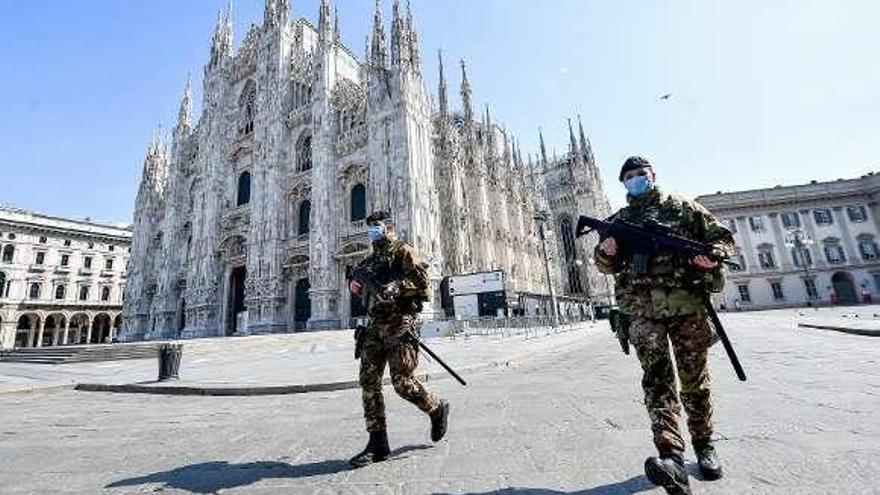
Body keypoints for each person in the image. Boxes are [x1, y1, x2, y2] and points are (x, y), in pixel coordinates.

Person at [594, 156, 735, 494]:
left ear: (653, 175)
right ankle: (670, 455)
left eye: (640, 175)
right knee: (656, 383)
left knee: (694, 382)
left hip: (686, 309)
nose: (635, 180)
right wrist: (607, 252)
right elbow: (603, 265)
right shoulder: (620, 220)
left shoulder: (684, 208)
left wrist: (711, 254)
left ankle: (704, 445)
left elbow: (722, 239)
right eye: (628, 177)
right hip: (643, 313)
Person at [348, 210, 449, 468]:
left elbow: (423, 282)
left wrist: (396, 287)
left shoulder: (403, 251)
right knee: (368, 382)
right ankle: (378, 443)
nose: (372, 230)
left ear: (389, 228)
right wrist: (354, 286)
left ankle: (436, 408)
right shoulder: (368, 261)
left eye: (376, 226)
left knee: (403, 383)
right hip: (373, 328)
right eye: (369, 226)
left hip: (399, 325)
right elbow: (357, 283)